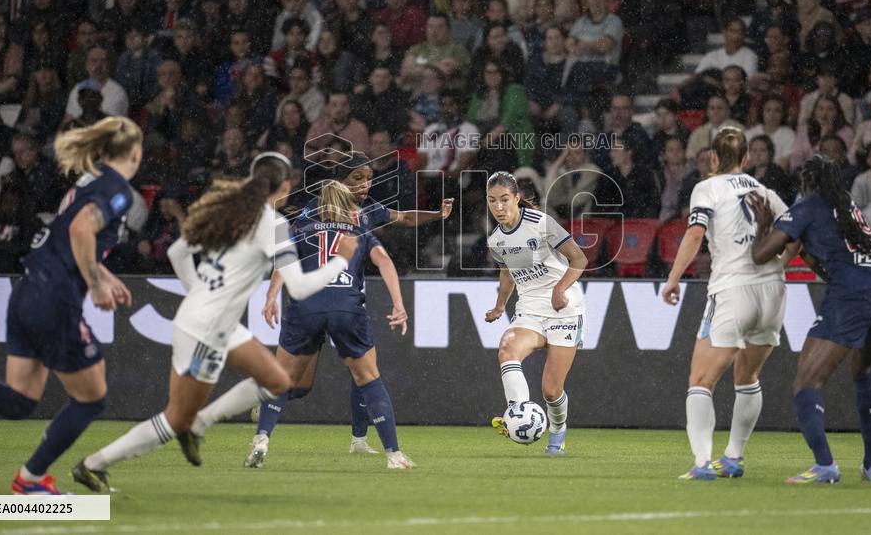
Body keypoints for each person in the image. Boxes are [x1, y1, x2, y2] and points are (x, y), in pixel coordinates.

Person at [71, 153, 357, 491]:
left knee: (277, 381)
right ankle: (93, 465)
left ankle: (200, 424)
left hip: (210, 320)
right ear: (284, 185)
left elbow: (177, 252)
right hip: (205, 328)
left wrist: (198, 295)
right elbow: (299, 286)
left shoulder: (229, 210)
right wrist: (341, 261)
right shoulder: (274, 224)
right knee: (176, 417)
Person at [0, 117, 142, 494]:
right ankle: (30, 479)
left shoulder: (90, 180)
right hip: (54, 298)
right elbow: (80, 230)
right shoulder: (117, 189)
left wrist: (103, 275)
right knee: (92, 397)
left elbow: (68, 236)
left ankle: (29, 480)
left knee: (20, 400)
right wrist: (93, 282)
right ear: (135, 153)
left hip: (27, 290)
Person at [247, 152, 453, 467]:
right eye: (357, 178)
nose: (365, 184)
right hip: (343, 302)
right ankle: (391, 452)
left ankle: (346, 438)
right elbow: (384, 257)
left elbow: (286, 257)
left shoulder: (319, 217)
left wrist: (272, 295)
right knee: (340, 379)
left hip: (309, 304)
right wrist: (399, 304)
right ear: (340, 181)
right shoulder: (350, 220)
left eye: (369, 178)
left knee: (341, 376)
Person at [749, 155, 871, 483]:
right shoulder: (849, 207)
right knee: (862, 369)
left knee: (807, 381)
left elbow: (761, 255)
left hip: (855, 293)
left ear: (806, 182)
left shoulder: (806, 208)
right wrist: (808, 252)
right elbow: (830, 260)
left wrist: (763, 225)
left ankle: (825, 465)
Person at [662, 128, 791, 480]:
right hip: (772, 291)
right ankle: (733, 456)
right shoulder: (765, 192)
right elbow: (795, 237)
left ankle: (703, 464)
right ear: (747, 159)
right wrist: (778, 267)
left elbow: (694, 233)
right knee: (747, 376)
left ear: (713, 159)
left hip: (733, 290)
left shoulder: (707, 187)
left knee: (701, 380)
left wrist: (673, 279)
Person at [484, 171, 589, 456]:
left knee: (552, 391)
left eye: (505, 199)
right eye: (492, 201)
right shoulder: (496, 241)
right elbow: (507, 272)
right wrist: (500, 306)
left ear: (517, 198)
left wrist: (560, 289)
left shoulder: (541, 223)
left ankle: (558, 431)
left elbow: (580, 258)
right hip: (529, 309)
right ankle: (518, 412)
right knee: (507, 350)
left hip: (563, 309)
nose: (499, 207)